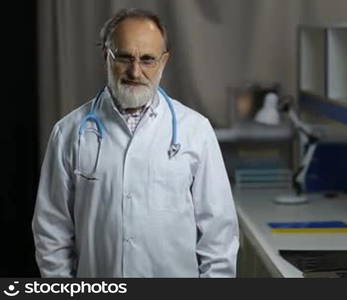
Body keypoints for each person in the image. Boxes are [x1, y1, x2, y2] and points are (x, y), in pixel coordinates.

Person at [32, 8, 239, 278]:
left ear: (164, 61)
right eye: (125, 57)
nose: (135, 71)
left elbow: (219, 236)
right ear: (106, 56)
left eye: (148, 59)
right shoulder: (68, 132)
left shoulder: (195, 131)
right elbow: (51, 232)